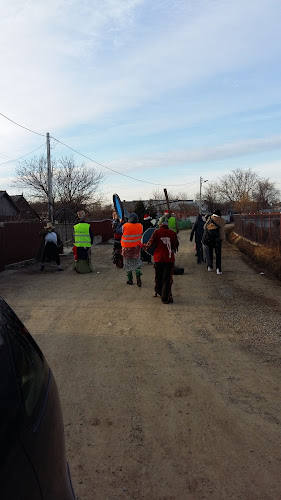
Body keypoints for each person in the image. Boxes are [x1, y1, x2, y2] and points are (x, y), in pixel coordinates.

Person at [143, 219, 179, 304]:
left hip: (158, 258)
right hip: (169, 258)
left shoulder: (156, 232)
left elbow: (150, 244)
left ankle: (159, 291)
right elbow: (175, 245)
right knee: (167, 278)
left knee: (158, 276)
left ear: (160, 224)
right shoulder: (172, 233)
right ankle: (165, 297)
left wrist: (143, 246)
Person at [120, 212, 143, 286]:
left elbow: (118, 230)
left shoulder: (125, 226)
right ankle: (138, 274)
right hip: (136, 247)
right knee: (137, 261)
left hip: (126, 248)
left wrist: (121, 223)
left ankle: (130, 280)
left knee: (128, 263)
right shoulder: (140, 226)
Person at [202, 209, 226, 274]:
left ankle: (209, 266)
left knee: (210, 253)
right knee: (218, 255)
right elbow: (223, 226)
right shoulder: (222, 220)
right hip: (218, 239)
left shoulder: (209, 219)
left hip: (209, 239)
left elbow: (204, 227)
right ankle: (218, 269)